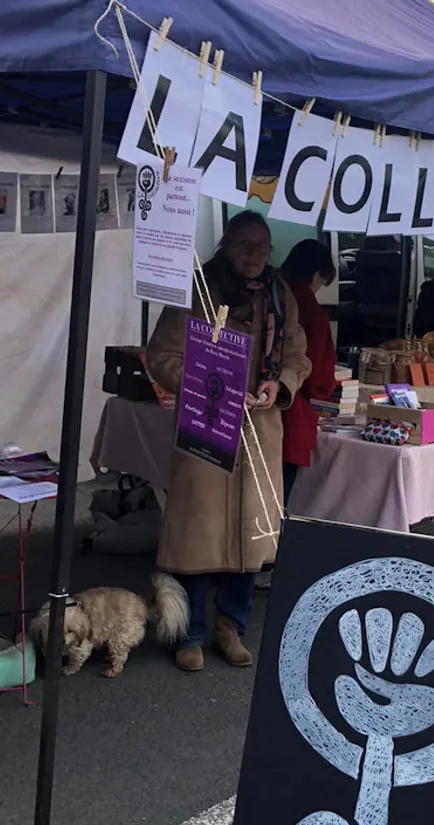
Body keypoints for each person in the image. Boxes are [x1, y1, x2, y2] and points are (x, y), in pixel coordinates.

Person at [146, 210, 311, 671]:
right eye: (246, 246)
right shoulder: (197, 289)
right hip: (207, 424)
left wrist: (281, 385)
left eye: (263, 246)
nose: (257, 255)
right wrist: (206, 381)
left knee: (252, 535)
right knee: (197, 535)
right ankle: (189, 632)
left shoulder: (279, 294)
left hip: (261, 429)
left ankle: (230, 626)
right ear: (226, 246)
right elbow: (161, 357)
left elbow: (297, 354)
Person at [279, 239, 338, 505]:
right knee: (274, 501)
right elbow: (318, 380)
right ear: (316, 274)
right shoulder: (312, 312)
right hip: (291, 416)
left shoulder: (265, 292)